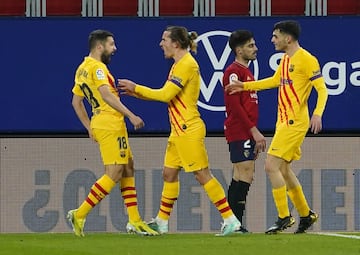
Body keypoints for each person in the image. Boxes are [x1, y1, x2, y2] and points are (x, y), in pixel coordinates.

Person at [118, 25, 241, 236]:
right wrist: (136, 93)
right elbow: (167, 95)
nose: (161, 43)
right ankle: (162, 222)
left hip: (188, 129)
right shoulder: (177, 65)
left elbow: (165, 95)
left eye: (164, 39)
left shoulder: (187, 65)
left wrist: (136, 88)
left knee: (202, 175)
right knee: (169, 173)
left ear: (175, 43)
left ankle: (231, 220)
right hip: (178, 130)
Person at [225, 20, 328, 234]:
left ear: (287, 38)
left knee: (270, 165)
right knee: (283, 169)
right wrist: (244, 86)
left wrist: (317, 114)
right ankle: (306, 214)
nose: (272, 40)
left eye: (275, 36)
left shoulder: (307, 60)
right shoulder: (285, 60)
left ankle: (283, 217)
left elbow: (322, 89)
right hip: (282, 122)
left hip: (295, 123)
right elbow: (273, 81)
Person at [68, 29, 159, 237]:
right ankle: (79, 214)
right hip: (110, 123)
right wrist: (131, 115)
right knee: (115, 172)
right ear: (100, 47)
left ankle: (134, 220)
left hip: (103, 122)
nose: (114, 48)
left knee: (127, 167)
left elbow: (76, 101)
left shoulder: (82, 68)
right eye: (111, 44)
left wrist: (89, 126)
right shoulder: (98, 68)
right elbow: (106, 94)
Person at [222, 30, 266, 233]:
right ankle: (234, 223)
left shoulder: (246, 72)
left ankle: (233, 223)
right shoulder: (233, 71)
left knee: (241, 174)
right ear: (239, 50)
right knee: (245, 172)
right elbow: (234, 105)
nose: (255, 49)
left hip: (244, 130)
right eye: (250, 46)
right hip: (240, 129)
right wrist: (253, 131)